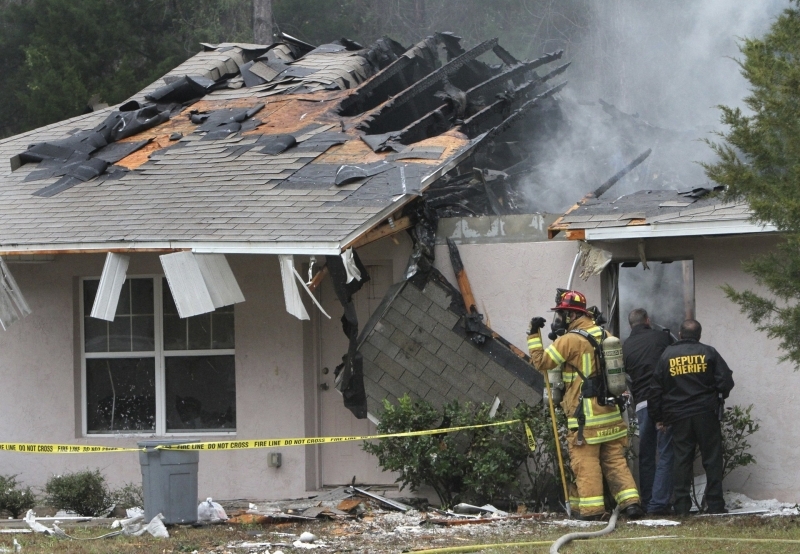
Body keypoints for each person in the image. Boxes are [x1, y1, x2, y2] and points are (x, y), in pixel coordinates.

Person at [528, 289, 644, 520]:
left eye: (561, 314)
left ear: (571, 315)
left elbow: (541, 363)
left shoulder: (569, 340)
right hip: (610, 413)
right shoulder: (604, 333)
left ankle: (592, 512)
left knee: (586, 462)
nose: (558, 319)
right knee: (615, 460)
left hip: (586, 418)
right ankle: (631, 504)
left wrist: (533, 334)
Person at [649, 319, 734, 515]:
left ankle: (681, 506)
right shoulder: (709, 352)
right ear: (699, 335)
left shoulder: (667, 355)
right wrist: (716, 396)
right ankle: (715, 505)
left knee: (682, 460)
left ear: (680, 334)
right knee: (712, 459)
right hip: (706, 413)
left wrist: (658, 417)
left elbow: (655, 390)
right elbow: (726, 380)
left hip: (678, 416)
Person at [623, 308, 674, 515]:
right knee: (665, 452)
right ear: (648, 320)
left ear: (630, 325)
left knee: (645, 454)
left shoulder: (625, 346)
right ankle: (659, 503)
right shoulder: (662, 337)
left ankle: (646, 499)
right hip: (664, 402)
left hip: (643, 403)